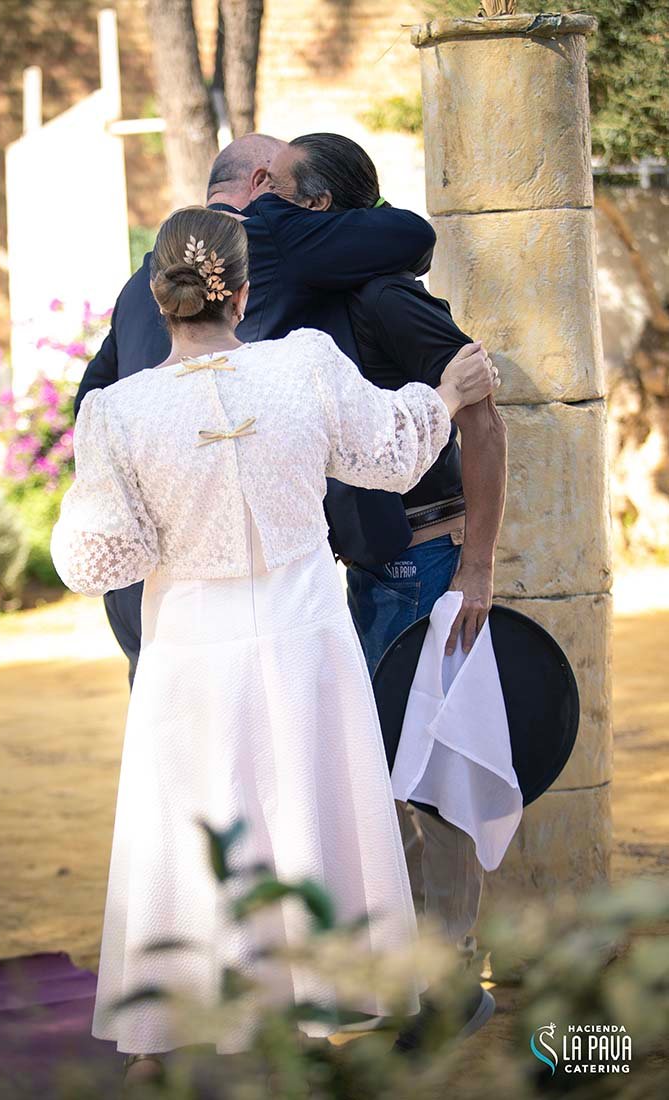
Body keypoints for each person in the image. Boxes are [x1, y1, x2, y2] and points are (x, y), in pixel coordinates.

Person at [51, 207, 498, 1083]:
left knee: (192, 819)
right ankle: (309, 1007)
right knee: (307, 807)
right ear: (245, 292)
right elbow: (389, 455)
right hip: (305, 637)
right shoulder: (304, 363)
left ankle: (167, 1031)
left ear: (157, 295)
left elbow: (100, 559)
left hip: (191, 644)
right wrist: (444, 396)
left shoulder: (116, 412)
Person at [252, 133, 507, 1023]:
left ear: (316, 206)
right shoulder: (302, 301)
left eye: (280, 189)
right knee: (372, 779)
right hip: (359, 573)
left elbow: (483, 420)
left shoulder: (385, 295)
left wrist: (476, 565)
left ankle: (452, 979)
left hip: (427, 563)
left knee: (429, 777)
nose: (262, 205)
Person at [75, 133, 437, 685]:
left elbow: (92, 398)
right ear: (261, 183)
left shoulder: (140, 283)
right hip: (257, 587)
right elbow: (412, 235)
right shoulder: (277, 237)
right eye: (286, 187)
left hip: (150, 597)